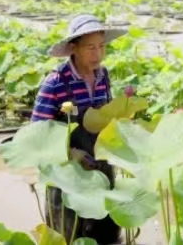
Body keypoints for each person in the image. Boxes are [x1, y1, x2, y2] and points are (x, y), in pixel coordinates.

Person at [30, 14, 127, 244]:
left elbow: (104, 118)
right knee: (67, 236)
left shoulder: (103, 77)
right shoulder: (55, 83)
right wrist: (72, 153)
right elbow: (37, 135)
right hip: (67, 173)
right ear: (74, 48)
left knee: (107, 235)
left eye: (102, 47)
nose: (98, 54)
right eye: (91, 48)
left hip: (101, 166)